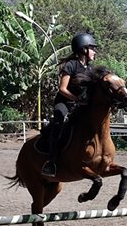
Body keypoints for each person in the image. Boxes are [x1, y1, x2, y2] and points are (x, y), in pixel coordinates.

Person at [42, 32, 98, 178]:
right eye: (92, 48)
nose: (94, 51)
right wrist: (76, 99)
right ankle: (51, 162)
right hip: (64, 103)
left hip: (80, 105)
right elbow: (62, 89)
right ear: (84, 49)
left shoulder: (90, 69)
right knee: (59, 125)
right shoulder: (71, 65)